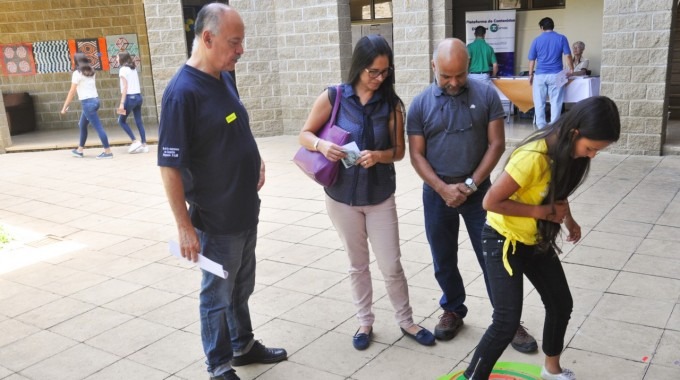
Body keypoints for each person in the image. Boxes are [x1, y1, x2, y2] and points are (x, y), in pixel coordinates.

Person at [157, 4, 286, 380]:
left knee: (241, 287)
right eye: (235, 41)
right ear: (207, 38)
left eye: (242, 41)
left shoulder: (224, 76)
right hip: (215, 218)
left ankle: (242, 346)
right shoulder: (181, 94)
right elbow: (169, 167)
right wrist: (183, 226)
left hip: (245, 208)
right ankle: (218, 366)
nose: (241, 49)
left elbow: (235, 123)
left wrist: (255, 157)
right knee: (216, 296)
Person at [462, 96, 621, 380]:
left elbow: (556, 191)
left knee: (561, 303)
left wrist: (568, 219)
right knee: (506, 321)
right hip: (503, 240)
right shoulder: (533, 156)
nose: (592, 155)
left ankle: (551, 370)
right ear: (575, 132)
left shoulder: (567, 153)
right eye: (591, 148)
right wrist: (542, 212)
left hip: (535, 240)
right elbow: (489, 201)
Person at [299, 34, 436, 351]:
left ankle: (406, 321)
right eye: (372, 71)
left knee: (391, 264)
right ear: (358, 67)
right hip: (342, 197)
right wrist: (322, 144)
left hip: (379, 196)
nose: (379, 78)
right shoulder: (334, 97)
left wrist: (378, 155)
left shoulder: (391, 105)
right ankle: (364, 321)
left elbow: (399, 152)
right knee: (357, 264)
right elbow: (304, 134)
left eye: (385, 71)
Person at [407, 38, 537, 353]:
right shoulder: (420, 104)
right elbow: (416, 155)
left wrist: (471, 184)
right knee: (443, 257)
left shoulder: (486, 94)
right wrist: (442, 188)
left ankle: (508, 321)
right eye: (446, 76)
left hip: (481, 195)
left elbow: (496, 144)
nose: (453, 83)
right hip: (438, 194)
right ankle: (452, 309)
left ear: (468, 68)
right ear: (433, 66)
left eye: (460, 75)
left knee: (496, 258)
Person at [60, 52, 113, 159]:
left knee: (98, 128)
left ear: (75, 61)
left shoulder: (77, 73)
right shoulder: (91, 71)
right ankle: (80, 150)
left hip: (88, 103)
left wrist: (64, 107)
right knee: (82, 125)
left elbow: (72, 91)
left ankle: (108, 152)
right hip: (95, 101)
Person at [528, 17, 574, 129]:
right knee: (556, 101)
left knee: (539, 102)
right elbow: (567, 55)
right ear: (553, 26)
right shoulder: (561, 38)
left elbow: (532, 59)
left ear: (542, 28)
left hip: (540, 75)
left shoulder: (536, 40)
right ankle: (554, 126)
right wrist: (571, 69)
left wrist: (530, 74)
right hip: (557, 74)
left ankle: (541, 126)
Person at [116, 51, 148, 154]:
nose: (116, 59)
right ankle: (144, 144)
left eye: (117, 57)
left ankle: (135, 141)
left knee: (121, 121)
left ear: (121, 58)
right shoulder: (133, 68)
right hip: (138, 97)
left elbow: (125, 87)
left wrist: (121, 103)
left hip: (129, 99)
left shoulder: (122, 70)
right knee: (138, 121)